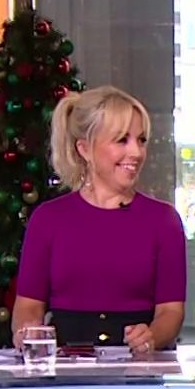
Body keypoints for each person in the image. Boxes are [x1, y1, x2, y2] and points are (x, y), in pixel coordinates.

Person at [12, 85, 186, 356]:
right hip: (66, 365)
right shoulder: (48, 219)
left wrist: (151, 336)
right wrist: (28, 331)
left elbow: (171, 311)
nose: (137, 152)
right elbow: (28, 305)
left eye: (141, 140)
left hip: (139, 367)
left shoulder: (163, 221)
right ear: (85, 149)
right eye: (122, 140)